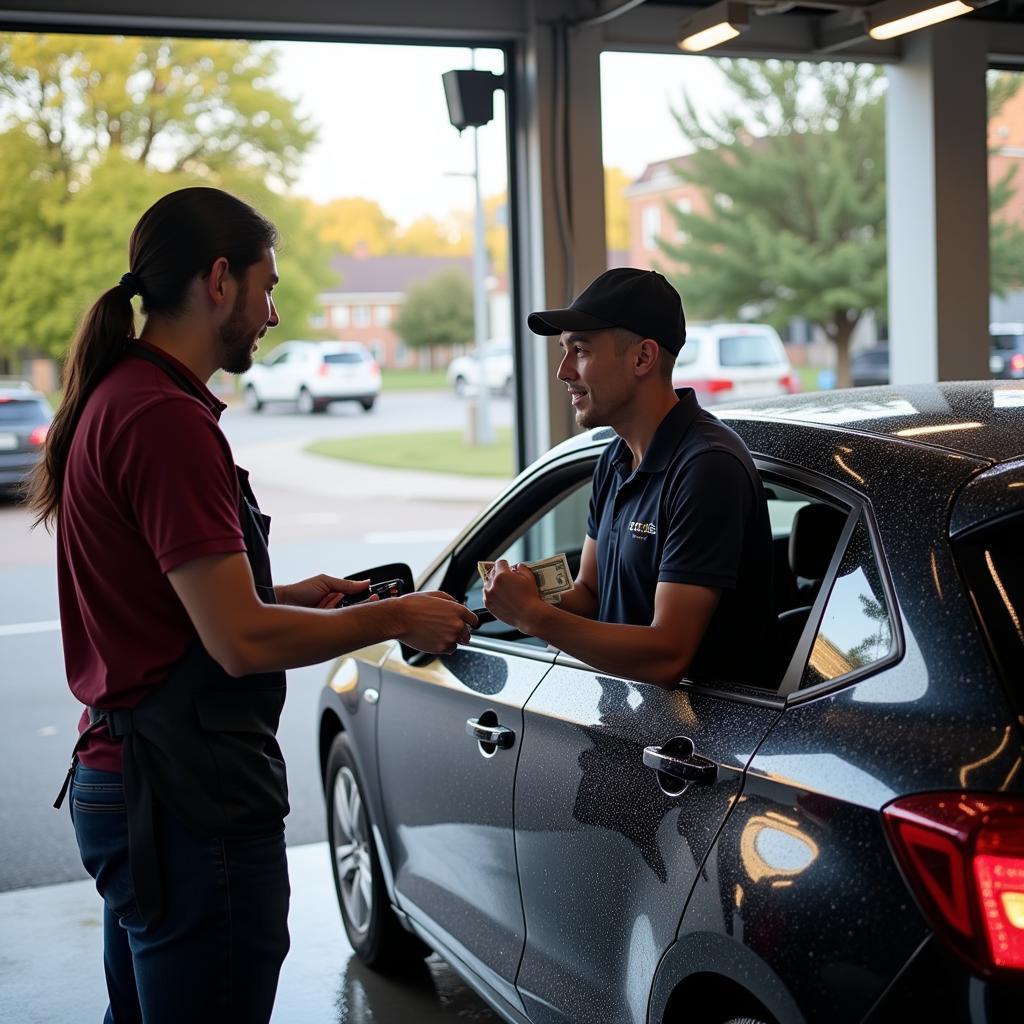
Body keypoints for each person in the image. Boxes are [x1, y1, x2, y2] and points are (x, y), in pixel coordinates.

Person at [27, 186, 477, 1024]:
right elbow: (235, 641)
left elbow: (180, 603)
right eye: (268, 288)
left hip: (132, 785)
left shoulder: (117, 397)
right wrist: (394, 617)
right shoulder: (164, 420)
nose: (272, 315)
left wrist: (290, 596)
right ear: (220, 280)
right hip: (185, 799)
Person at [483, 268, 773, 689]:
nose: (563, 371)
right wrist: (528, 587)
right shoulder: (615, 458)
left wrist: (534, 616)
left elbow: (667, 655)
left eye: (579, 350)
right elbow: (589, 591)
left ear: (642, 357)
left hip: (698, 741)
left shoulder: (706, 468)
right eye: (564, 350)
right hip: (629, 721)